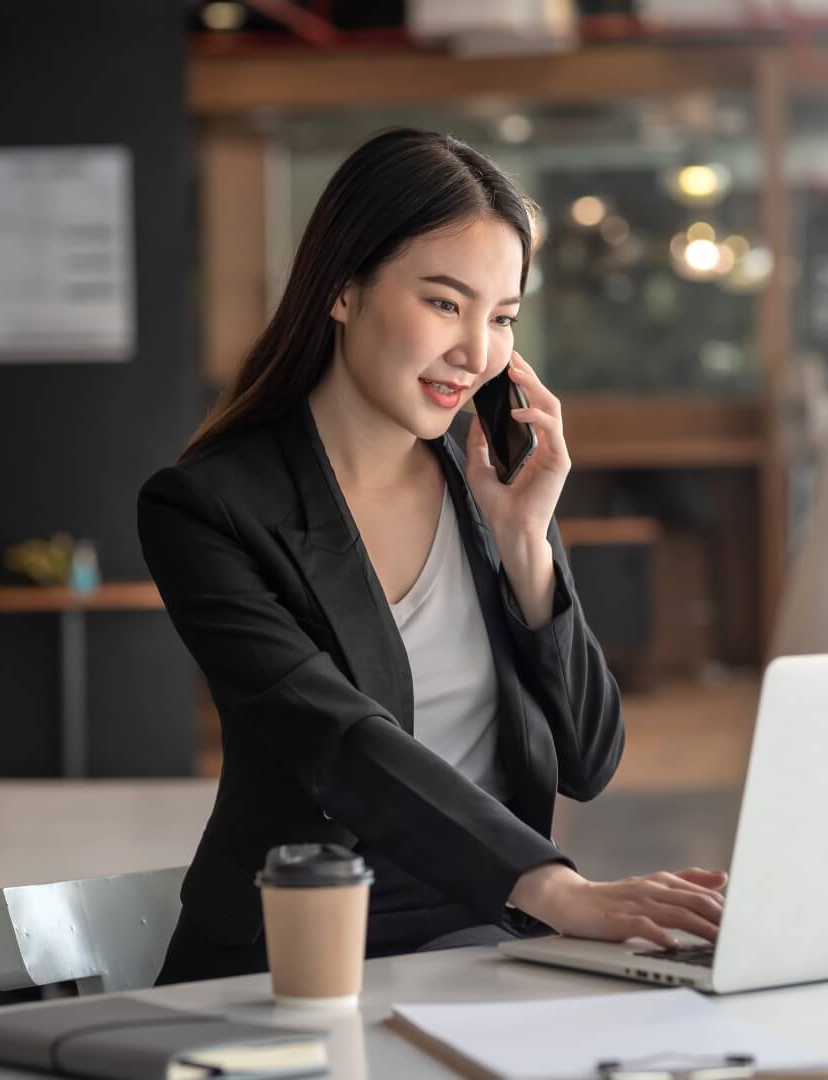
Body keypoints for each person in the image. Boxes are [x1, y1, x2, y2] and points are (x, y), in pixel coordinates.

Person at [140, 128, 727, 985]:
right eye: (446, 304)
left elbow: (589, 760)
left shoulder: (491, 482)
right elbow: (340, 743)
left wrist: (526, 542)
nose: (477, 353)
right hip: (299, 957)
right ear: (343, 289)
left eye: (503, 318)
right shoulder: (210, 508)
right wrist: (556, 891)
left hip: (490, 944)